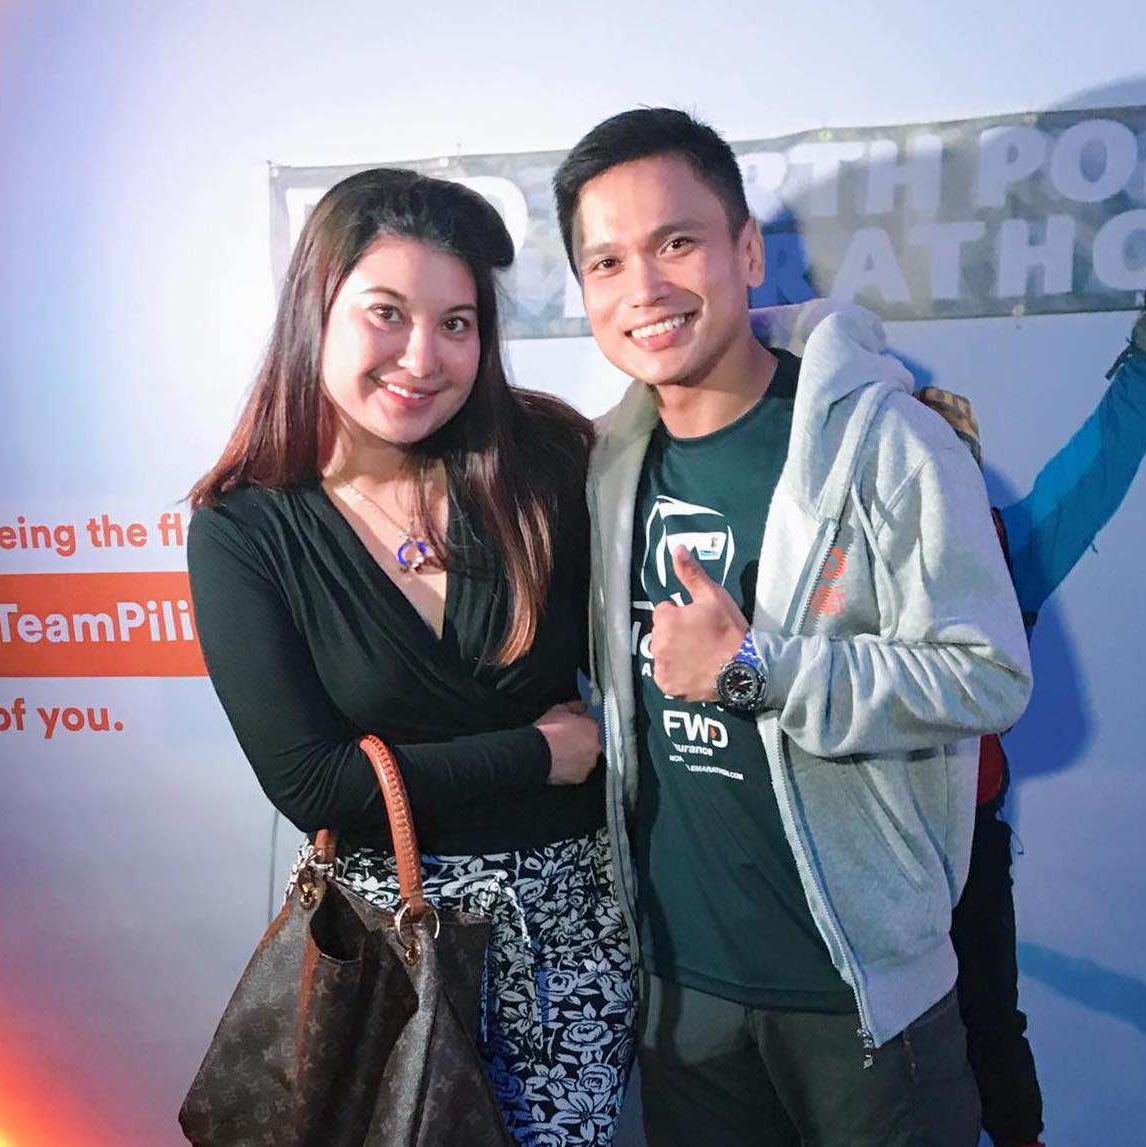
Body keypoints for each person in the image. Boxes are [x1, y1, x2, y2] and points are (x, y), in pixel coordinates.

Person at [554, 108, 1032, 1147]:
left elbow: (988, 674)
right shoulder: (600, 467)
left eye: (676, 242)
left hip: (858, 990)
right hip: (680, 995)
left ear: (745, 251)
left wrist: (755, 669)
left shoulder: (887, 443)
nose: (644, 288)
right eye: (607, 261)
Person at [185, 168, 634, 1146]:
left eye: (456, 323)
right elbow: (313, 783)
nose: (423, 358)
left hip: (569, 943)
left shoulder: (545, 460)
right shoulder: (246, 526)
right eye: (386, 313)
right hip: (389, 953)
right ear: (317, 310)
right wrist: (538, 753)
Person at [914, 189, 1146, 1147]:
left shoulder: (1004, 554)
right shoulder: (818, 563)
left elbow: (1105, 450)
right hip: (851, 853)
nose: (932, 481)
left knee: (987, 1029)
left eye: (951, 458)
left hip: (963, 847)